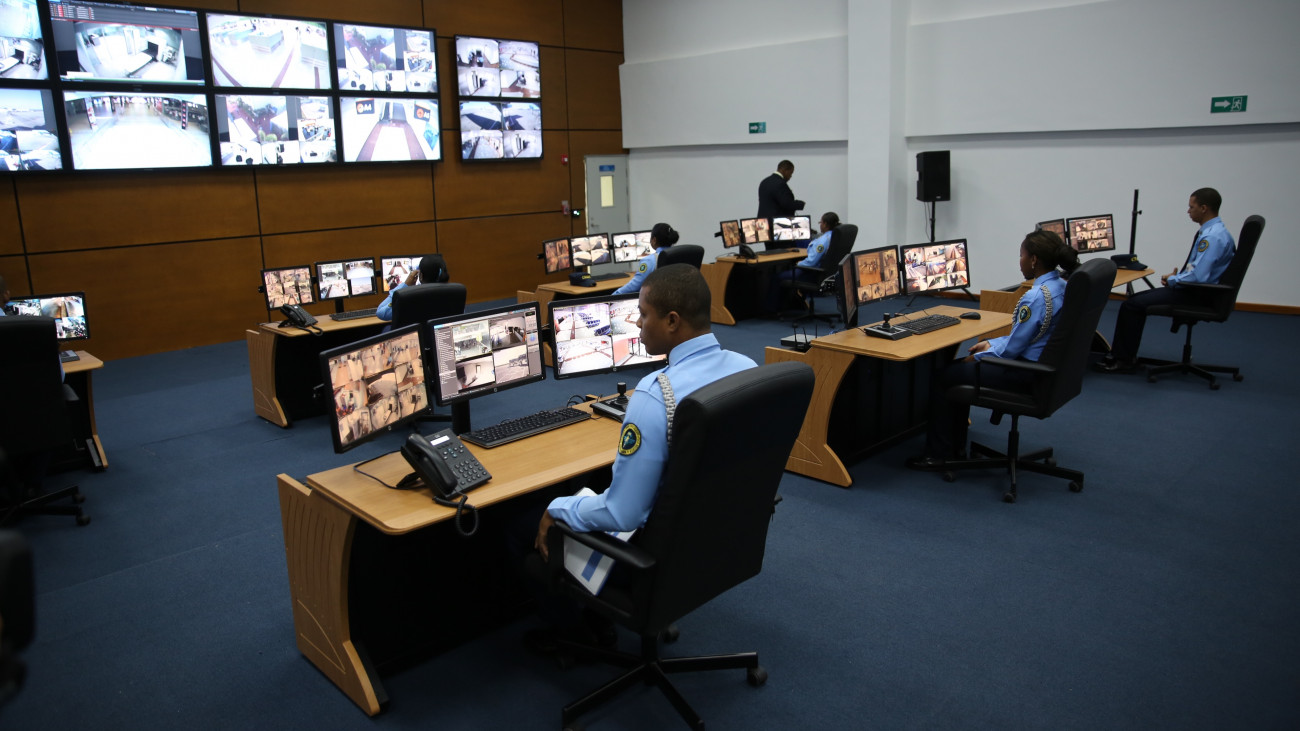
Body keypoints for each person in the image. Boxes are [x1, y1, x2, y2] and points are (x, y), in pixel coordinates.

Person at [536, 264, 756, 546]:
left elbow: (622, 514)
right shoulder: (748, 369)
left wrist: (558, 507)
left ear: (672, 321)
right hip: (726, 533)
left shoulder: (655, 394)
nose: (638, 323)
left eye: (643, 314)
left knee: (520, 533)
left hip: (662, 551)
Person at [907, 230, 1079, 467]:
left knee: (945, 375)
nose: (1019, 261)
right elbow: (1027, 337)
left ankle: (938, 454)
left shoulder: (1036, 298)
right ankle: (955, 446)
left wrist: (980, 356)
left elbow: (1012, 351)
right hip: (1044, 369)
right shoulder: (1062, 286)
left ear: (1034, 260)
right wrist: (991, 343)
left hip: (1024, 372)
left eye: (1021, 255)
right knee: (960, 366)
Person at [1095, 188, 1235, 373]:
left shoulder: (1211, 237)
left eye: (1191, 207)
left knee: (1131, 305)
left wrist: (1175, 280)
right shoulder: (1217, 231)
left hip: (1196, 294)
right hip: (1201, 290)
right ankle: (1125, 356)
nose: (1188, 211)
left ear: (1204, 208)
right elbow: (1199, 270)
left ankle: (1123, 360)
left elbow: (1199, 277)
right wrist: (1177, 277)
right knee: (1135, 301)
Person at [767, 212, 839, 312]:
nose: (820, 225)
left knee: (777, 277)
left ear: (825, 224)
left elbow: (811, 262)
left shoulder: (823, 241)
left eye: (821, 222)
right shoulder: (835, 237)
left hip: (813, 273)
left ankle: (771, 310)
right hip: (825, 274)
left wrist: (798, 264)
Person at [611, 222, 679, 295]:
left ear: (654, 240)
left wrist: (614, 296)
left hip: (658, 299)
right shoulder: (679, 255)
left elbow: (634, 286)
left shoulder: (650, 261)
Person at [375, 254, 447, 321]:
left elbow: (381, 313)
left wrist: (405, 285)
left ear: (421, 276)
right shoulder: (451, 293)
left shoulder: (412, 298)